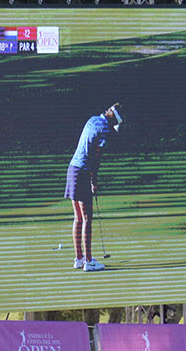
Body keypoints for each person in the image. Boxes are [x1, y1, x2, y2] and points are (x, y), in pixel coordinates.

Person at [65, 103, 122, 272]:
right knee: (87, 218)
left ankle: (79, 258)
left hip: (72, 169)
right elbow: (96, 155)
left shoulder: (93, 119)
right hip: (82, 172)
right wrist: (94, 180)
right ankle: (88, 262)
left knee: (78, 218)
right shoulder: (104, 129)